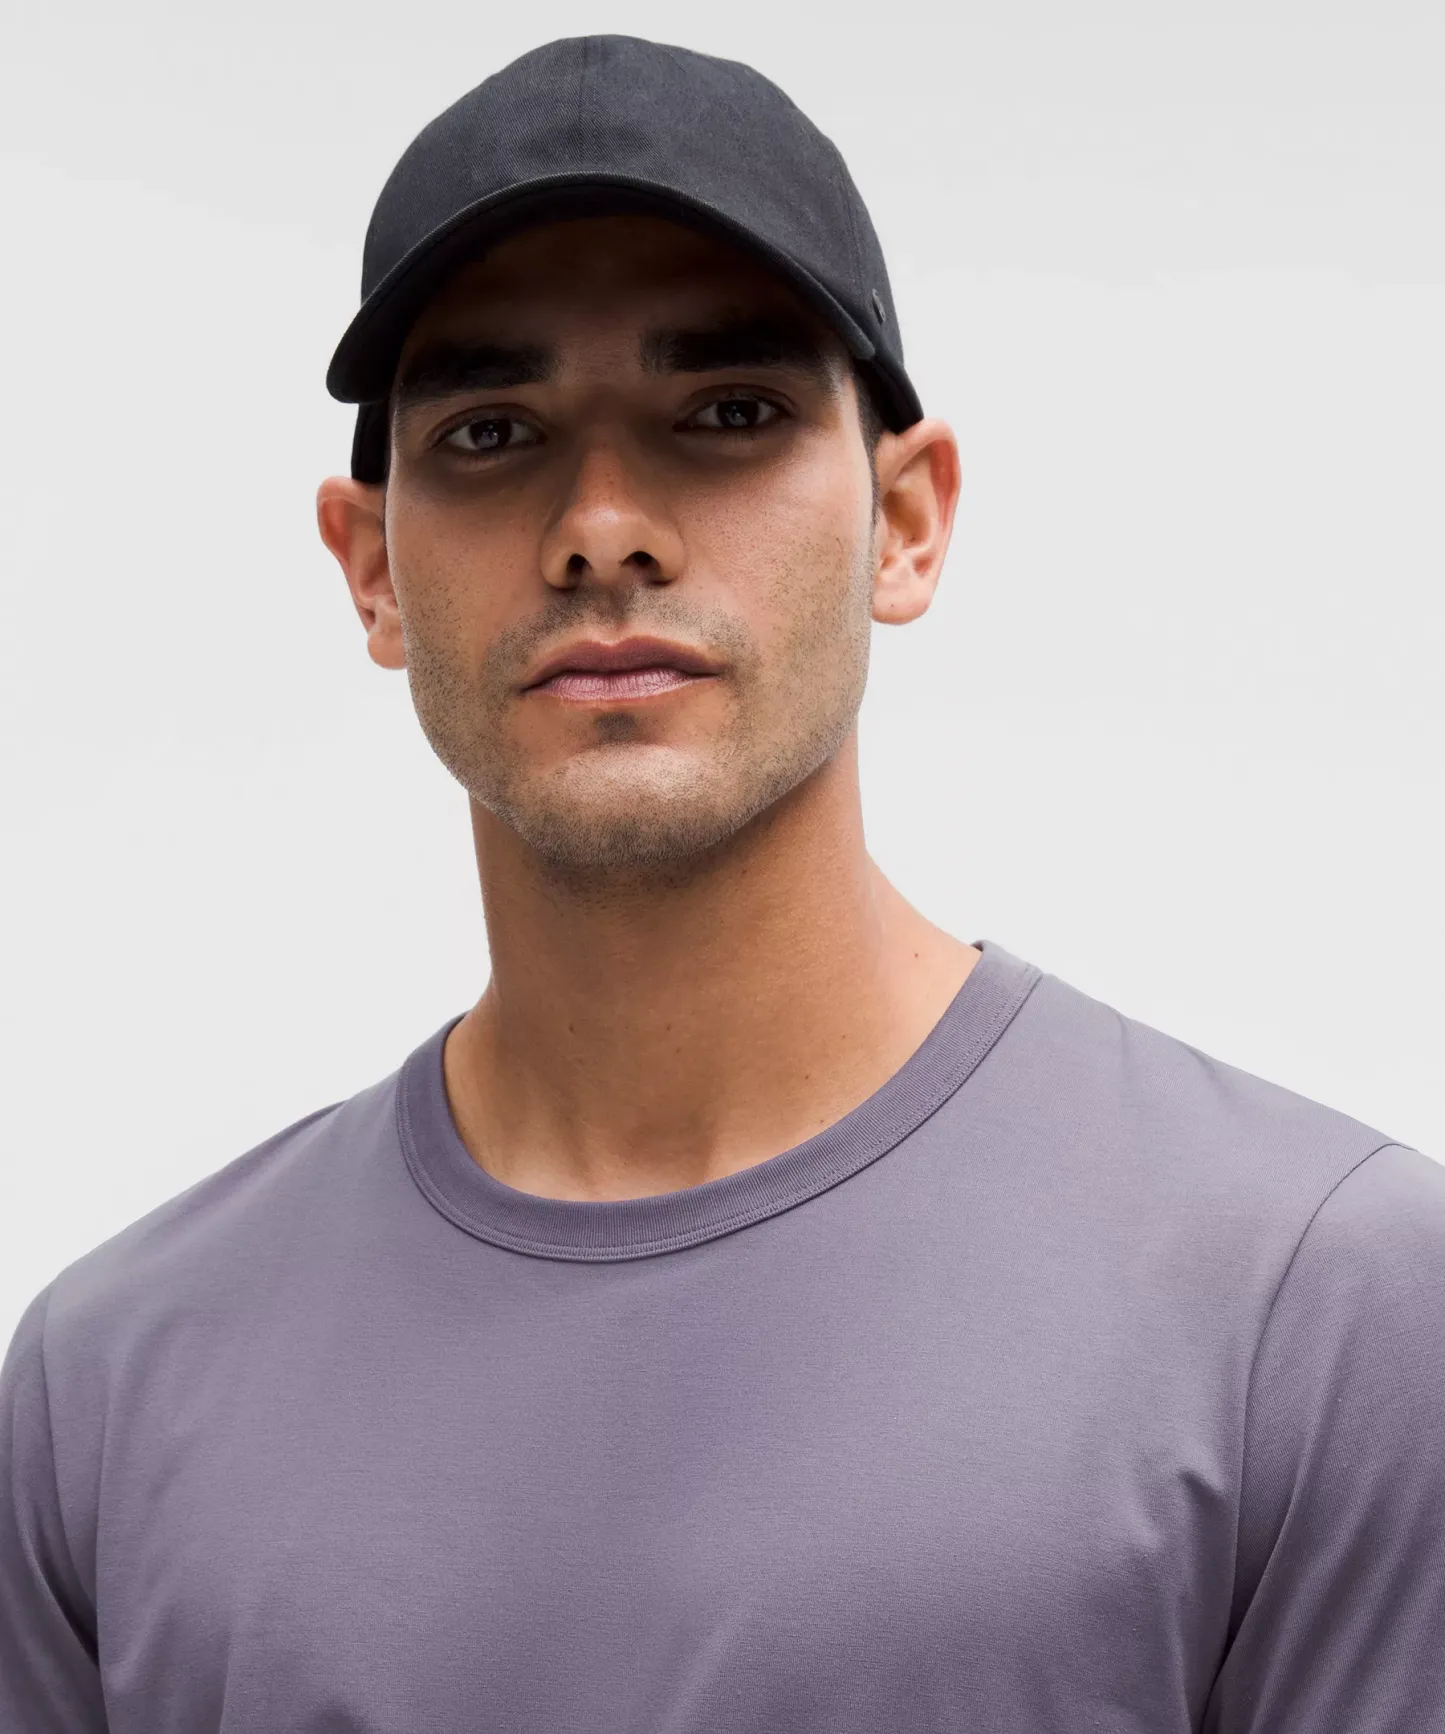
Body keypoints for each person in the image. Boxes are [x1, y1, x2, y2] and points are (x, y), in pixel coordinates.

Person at [2, 33, 1441, 1734]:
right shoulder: (106, 1394)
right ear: (370, 565)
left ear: (908, 518)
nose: (604, 524)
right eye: (492, 430)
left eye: (731, 413)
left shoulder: (1319, 1311)